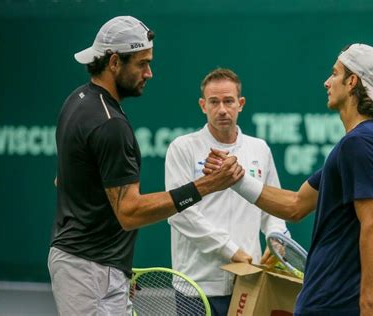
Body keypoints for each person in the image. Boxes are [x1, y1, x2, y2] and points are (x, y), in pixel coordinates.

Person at [48, 16, 243, 316]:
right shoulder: (110, 124)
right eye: (142, 64)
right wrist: (207, 185)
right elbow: (130, 213)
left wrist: (117, 268)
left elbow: (64, 181)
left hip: (92, 265)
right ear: (114, 62)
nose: (149, 73)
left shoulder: (77, 101)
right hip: (90, 271)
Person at [205, 44, 373, 316]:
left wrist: (366, 302)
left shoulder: (359, 144)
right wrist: (236, 179)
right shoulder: (357, 143)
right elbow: (295, 204)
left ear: (352, 82)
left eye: (335, 73)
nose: (327, 82)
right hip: (331, 297)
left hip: (340, 302)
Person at [165, 68, 289, 315]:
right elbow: (181, 213)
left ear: (240, 104)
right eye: (214, 102)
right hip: (196, 286)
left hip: (247, 282)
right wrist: (232, 251)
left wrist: (276, 236)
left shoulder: (259, 149)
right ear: (203, 105)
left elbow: (274, 205)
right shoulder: (182, 148)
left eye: (228, 101)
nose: (222, 109)